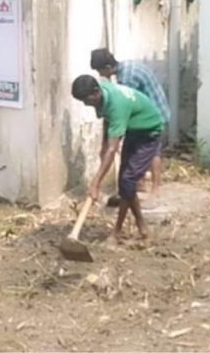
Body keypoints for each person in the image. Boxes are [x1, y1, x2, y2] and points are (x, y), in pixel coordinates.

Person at [71, 75, 164, 244]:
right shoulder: (103, 93)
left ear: (96, 91)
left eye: (87, 100)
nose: (85, 104)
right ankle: (142, 226)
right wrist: (103, 145)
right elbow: (108, 119)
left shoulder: (117, 105)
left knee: (127, 181)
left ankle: (117, 231)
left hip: (149, 132)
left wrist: (95, 183)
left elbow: (113, 148)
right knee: (125, 184)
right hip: (133, 129)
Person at [91, 48, 170, 198]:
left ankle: (156, 187)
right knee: (140, 150)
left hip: (153, 113)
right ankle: (138, 185)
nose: (101, 75)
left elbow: (125, 107)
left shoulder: (126, 78)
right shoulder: (126, 66)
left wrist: (109, 143)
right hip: (150, 108)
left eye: (100, 71)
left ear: (108, 67)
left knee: (153, 151)